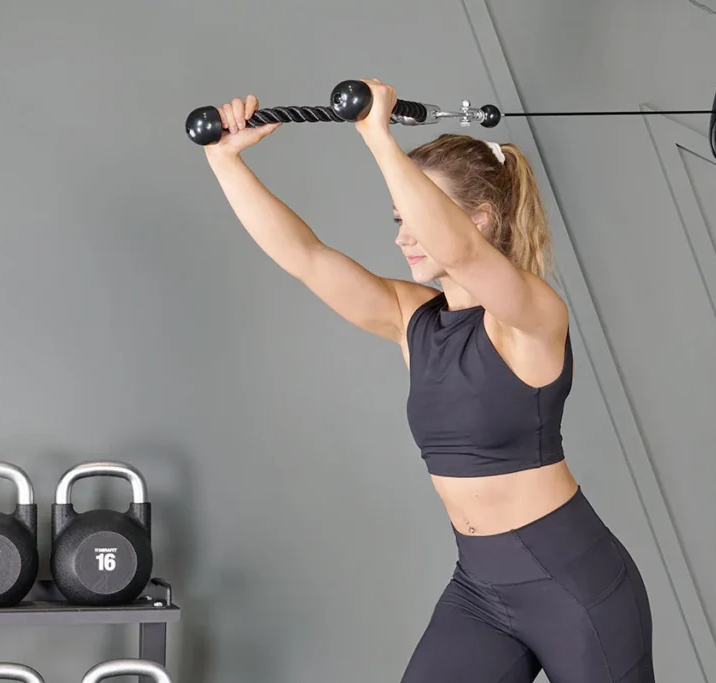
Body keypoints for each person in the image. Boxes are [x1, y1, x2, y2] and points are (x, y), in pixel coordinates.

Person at [202, 79, 655, 683]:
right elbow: (305, 256)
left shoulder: (531, 316)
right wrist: (226, 162)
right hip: (480, 589)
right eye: (398, 219)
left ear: (481, 220)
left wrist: (378, 138)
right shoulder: (413, 321)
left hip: (576, 588)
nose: (401, 236)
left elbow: (463, 254)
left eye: (414, 217)